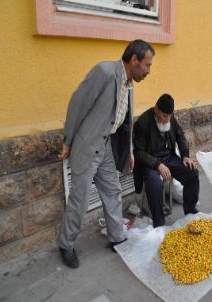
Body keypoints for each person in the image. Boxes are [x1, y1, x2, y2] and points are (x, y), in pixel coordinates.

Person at [57, 39, 155, 268]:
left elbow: (124, 121)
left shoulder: (129, 84)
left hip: (107, 146)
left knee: (113, 191)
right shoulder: (104, 72)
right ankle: (65, 243)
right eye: (147, 65)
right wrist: (67, 141)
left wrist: (129, 149)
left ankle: (117, 237)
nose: (149, 71)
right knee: (79, 201)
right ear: (134, 60)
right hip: (88, 145)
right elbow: (77, 104)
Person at [133, 94, 199, 227]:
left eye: (169, 116)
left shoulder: (170, 118)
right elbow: (138, 152)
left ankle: (190, 213)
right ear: (156, 109)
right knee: (155, 184)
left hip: (168, 158)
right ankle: (159, 223)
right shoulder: (143, 123)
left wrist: (185, 156)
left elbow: (180, 136)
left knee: (192, 172)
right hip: (150, 163)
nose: (166, 120)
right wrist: (158, 165)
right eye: (164, 116)